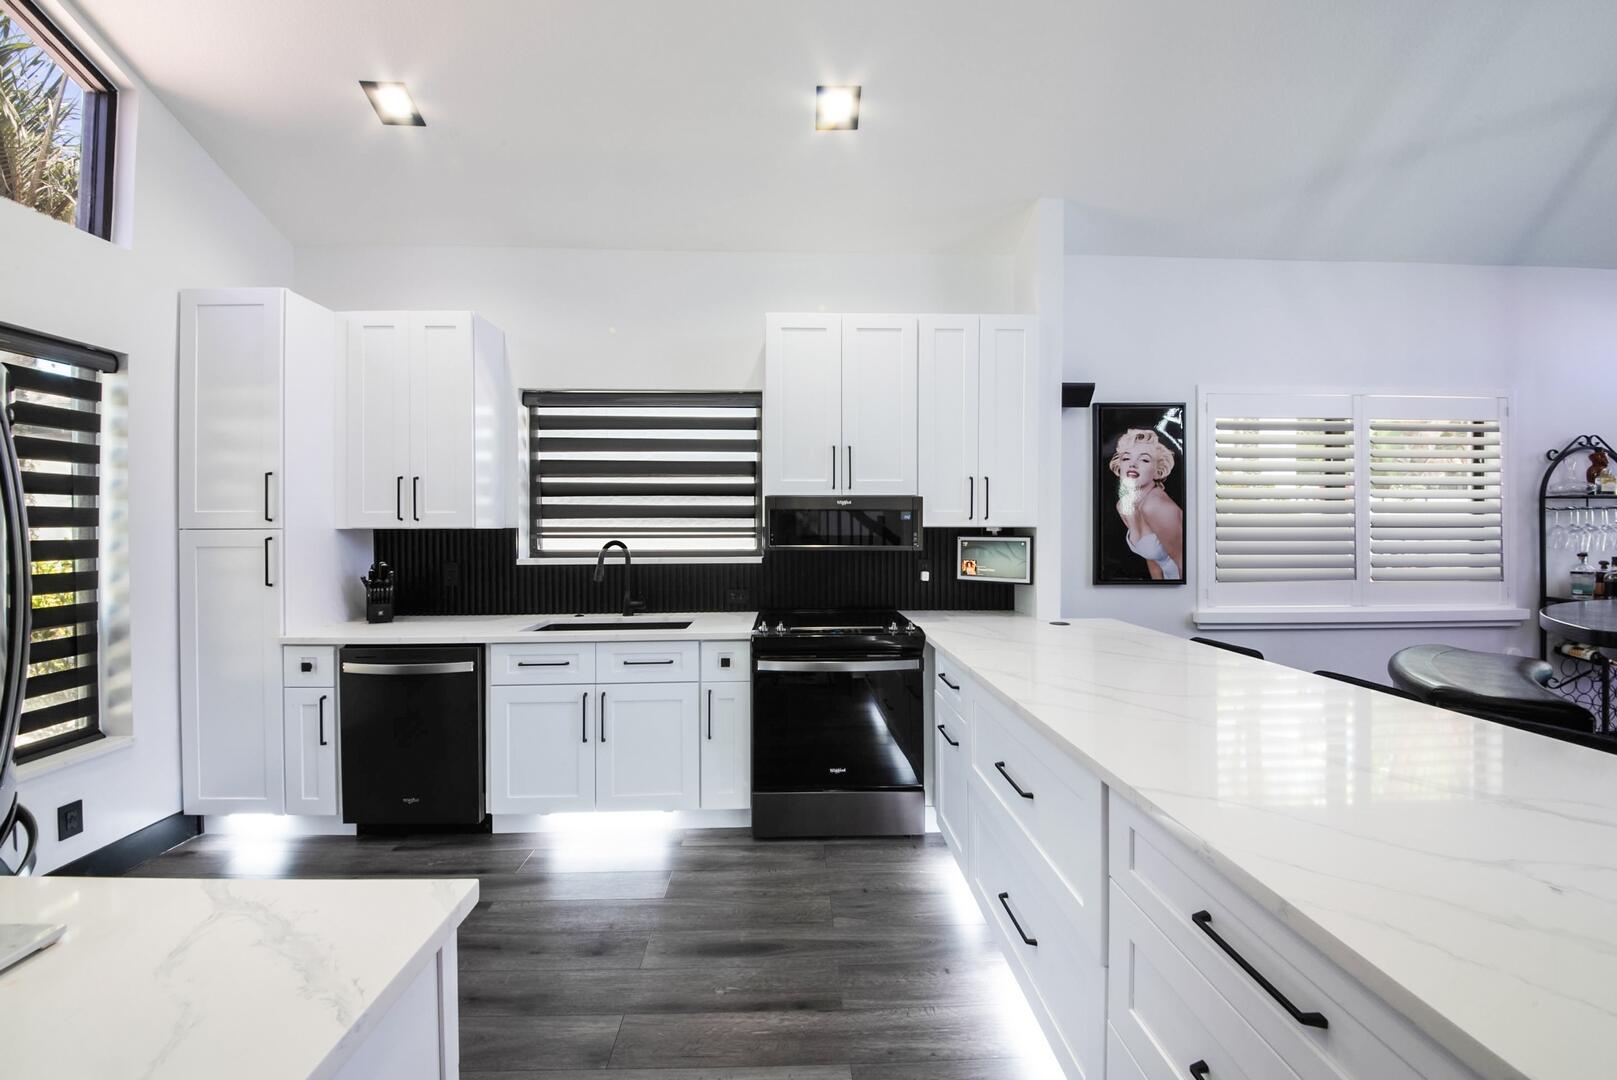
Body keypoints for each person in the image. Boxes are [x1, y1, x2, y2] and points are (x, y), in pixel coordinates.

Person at [1108, 428, 1183, 580]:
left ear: (1157, 471)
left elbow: (1185, 563)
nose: (1132, 464)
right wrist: (1158, 590)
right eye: (1126, 458)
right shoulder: (1124, 505)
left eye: (1144, 460)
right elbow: (1152, 558)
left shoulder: (1156, 506)